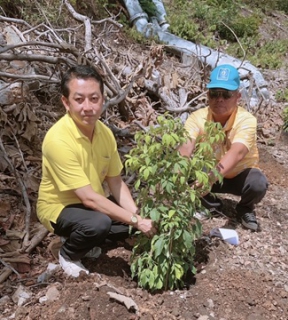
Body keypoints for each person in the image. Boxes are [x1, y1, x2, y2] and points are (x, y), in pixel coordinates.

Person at [37, 65, 156, 277]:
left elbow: (116, 183)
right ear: (66, 102)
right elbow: (89, 199)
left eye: (94, 98)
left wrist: (138, 217)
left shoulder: (105, 134)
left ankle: (87, 236)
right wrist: (136, 222)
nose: (87, 107)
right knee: (99, 223)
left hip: (91, 203)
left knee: (135, 216)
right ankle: (68, 253)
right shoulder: (58, 140)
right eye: (79, 99)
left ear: (102, 99)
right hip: (59, 207)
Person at [178, 64, 268, 231]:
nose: (219, 99)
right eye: (214, 93)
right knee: (186, 168)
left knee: (258, 183)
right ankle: (211, 205)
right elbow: (185, 148)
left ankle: (245, 209)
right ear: (208, 95)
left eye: (226, 94)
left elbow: (237, 152)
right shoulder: (197, 117)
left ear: (237, 96)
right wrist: (174, 178)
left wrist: (209, 179)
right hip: (209, 172)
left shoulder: (246, 120)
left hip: (238, 176)